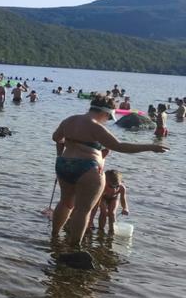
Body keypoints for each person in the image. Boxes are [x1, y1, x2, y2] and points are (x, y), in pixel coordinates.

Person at [51, 96, 166, 247]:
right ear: (105, 113)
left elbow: (56, 138)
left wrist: (64, 150)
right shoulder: (96, 127)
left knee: (65, 203)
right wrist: (150, 147)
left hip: (64, 164)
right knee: (83, 209)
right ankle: (74, 246)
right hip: (87, 168)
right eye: (108, 117)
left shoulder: (69, 120)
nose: (106, 120)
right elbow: (120, 146)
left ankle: (54, 237)